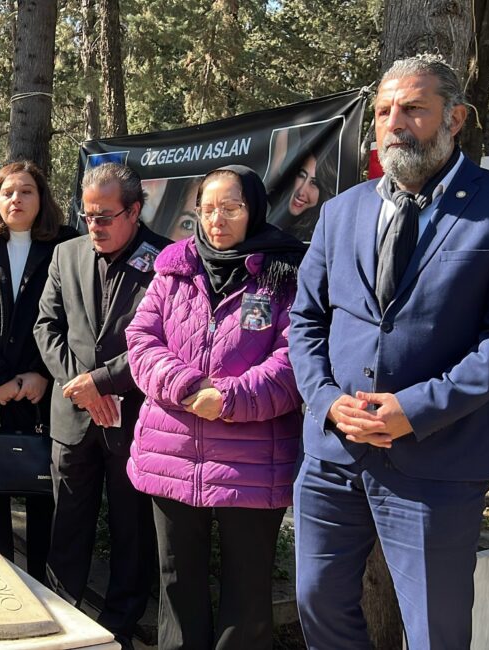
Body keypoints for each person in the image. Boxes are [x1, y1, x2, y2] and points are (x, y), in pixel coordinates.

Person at [289, 54, 489, 650]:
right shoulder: (340, 212)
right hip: (334, 454)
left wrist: (416, 408)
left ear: (454, 117)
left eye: (414, 108)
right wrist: (328, 401)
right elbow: (305, 319)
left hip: (438, 458)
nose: (394, 123)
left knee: (436, 630)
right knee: (317, 604)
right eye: (385, 110)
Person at [126, 165, 306, 649]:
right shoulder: (173, 269)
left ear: (254, 208)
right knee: (177, 587)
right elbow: (142, 340)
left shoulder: (284, 271)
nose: (217, 220)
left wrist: (227, 400)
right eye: (207, 209)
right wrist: (185, 387)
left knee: (247, 601)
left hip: (252, 464)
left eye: (231, 207)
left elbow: (295, 359)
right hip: (171, 453)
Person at [34, 162, 168, 649]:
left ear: (134, 211)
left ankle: (119, 629)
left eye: (106, 216)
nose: (94, 225)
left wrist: (106, 382)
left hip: (133, 418)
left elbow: (165, 343)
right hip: (73, 416)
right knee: (67, 524)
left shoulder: (168, 260)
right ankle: (61, 621)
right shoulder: (66, 254)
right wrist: (83, 387)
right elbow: (45, 327)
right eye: (88, 215)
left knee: (132, 533)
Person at [0, 160, 77, 583]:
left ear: (41, 199)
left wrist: (42, 374)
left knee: (45, 495)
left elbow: (70, 319)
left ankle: (47, 589)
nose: (16, 199)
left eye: (26, 191)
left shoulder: (66, 246)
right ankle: (3, 588)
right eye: (7, 192)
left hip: (45, 393)